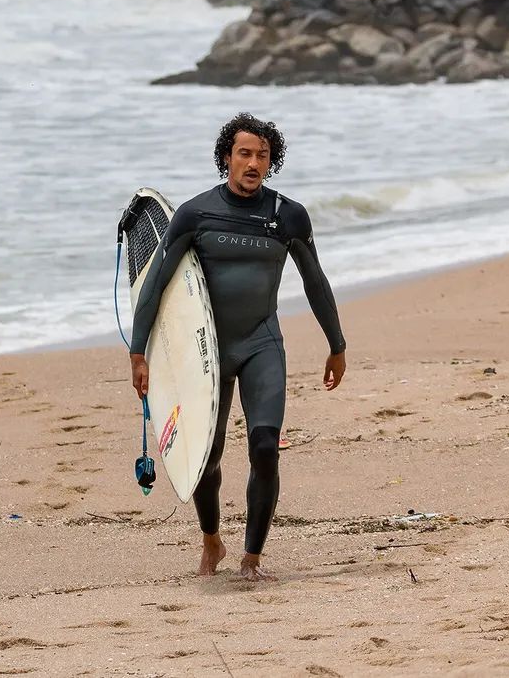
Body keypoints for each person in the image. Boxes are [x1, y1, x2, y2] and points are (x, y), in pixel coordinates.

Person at [129, 113, 347, 583]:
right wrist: (139, 349)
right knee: (206, 455)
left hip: (260, 343)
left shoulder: (288, 215)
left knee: (265, 446)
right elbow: (157, 283)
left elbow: (315, 280)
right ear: (226, 157)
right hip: (203, 350)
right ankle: (212, 539)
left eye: (262, 156)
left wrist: (337, 343)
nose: (253, 163)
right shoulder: (195, 213)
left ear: (273, 161)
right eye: (244, 153)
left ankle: (252, 557)